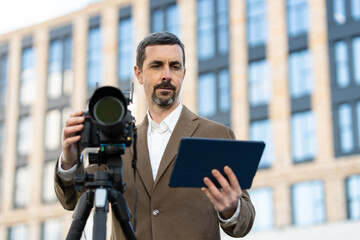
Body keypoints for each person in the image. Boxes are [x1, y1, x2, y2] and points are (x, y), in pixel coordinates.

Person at [55, 32, 255, 240]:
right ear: (139, 74)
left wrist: (231, 209)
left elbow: (243, 224)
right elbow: (71, 199)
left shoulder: (216, 135)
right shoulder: (117, 142)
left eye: (175, 66)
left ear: (183, 74)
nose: (167, 75)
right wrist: (69, 160)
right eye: (156, 65)